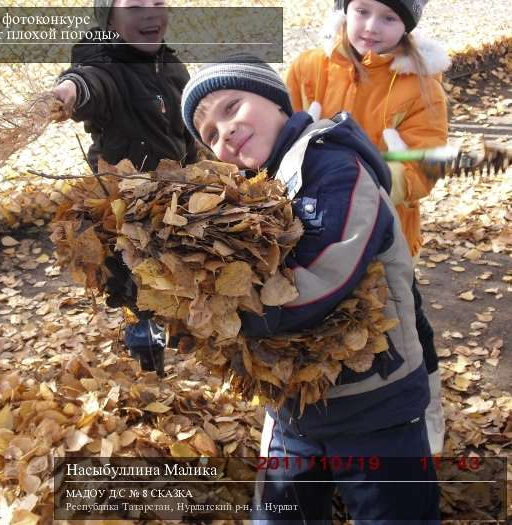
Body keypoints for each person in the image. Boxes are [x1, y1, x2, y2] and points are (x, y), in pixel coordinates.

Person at [181, 56, 439, 523]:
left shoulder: (333, 163)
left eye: (232, 106)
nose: (226, 132)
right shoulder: (253, 192)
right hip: (294, 408)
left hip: (374, 402)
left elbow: (322, 276)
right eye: (211, 136)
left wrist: (221, 319)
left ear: (279, 102)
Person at [285, 0, 449, 454]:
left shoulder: (422, 89)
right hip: (310, 231)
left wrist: (362, 180)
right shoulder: (309, 68)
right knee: (314, 323)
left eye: (389, 17)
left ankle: (425, 411)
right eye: (361, 10)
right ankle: (297, 428)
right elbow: (280, 134)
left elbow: (423, 170)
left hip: (386, 237)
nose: (371, 28)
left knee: (405, 323)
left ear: (408, 24)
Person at [52, 0, 198, 376]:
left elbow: (186, 127)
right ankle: (149, 360)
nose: (149, 13)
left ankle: (182, 329)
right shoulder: (107, 63)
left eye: (158, 3)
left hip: (175, 195)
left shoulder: (169, 65)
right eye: (133, 6)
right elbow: (89, 81)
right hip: (127, 206)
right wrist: (71, 91)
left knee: (178, 273)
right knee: (135, 283)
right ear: (109, 19)